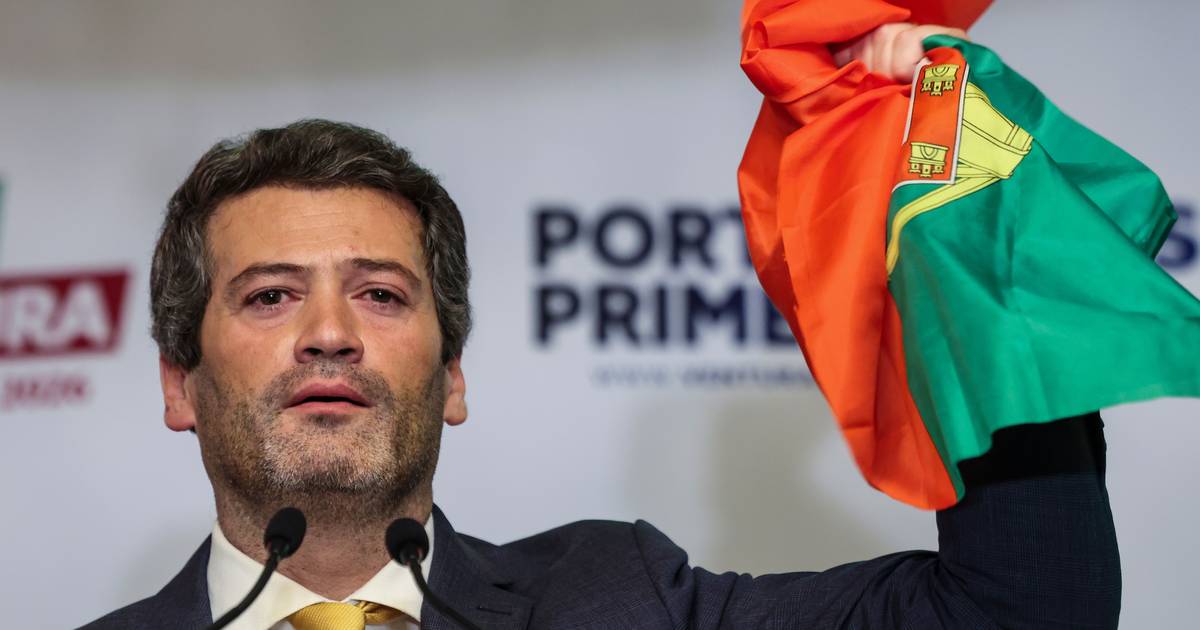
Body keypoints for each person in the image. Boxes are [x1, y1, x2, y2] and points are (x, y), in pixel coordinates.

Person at [82, 23, 1121, 630]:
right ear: (178, 382)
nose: (329, 333)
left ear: (453, 375)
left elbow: (1027, 607)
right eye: (270, 295)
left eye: (382, 295)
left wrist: (954, 227)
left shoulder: (619, 598)